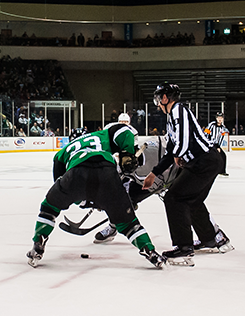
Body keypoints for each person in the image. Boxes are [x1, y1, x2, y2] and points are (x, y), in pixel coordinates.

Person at [28, 123, 164, 268]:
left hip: (75, 174)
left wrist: (85, 201)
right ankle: (151, 252)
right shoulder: (101, 135)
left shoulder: (62, 152)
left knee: (49, 208)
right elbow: (125, 132)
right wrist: (127, 153)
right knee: (128, 223)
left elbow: (60, 184)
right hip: (107, 173)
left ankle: (38, 244)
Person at [142, 83, 230, 264]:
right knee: (192, 200)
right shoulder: (173, 116)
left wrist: (176, 155)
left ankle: (184, 248)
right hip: (207, 161)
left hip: (204, 161)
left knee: (174, 198)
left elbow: (181, 144)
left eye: (159, 98)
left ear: (165, 98)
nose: (158, 103)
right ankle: (209, 239)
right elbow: (173, 148)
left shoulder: (178, 111)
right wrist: (154, 173)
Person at [204, 112, 230, 176]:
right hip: (209, 144)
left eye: (221, 118)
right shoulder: (211, 125)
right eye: (218, 118)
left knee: (223, 156)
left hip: (216, 145)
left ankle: (222, 171)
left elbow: (221, 138)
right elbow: (206, 134)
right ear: (216, 118)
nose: (220, 119)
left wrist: (218, 146)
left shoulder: (223, 128)